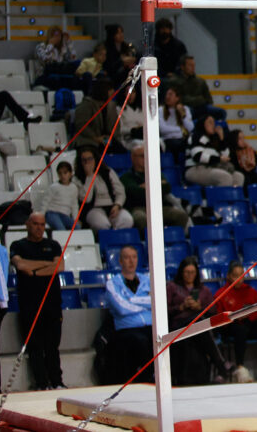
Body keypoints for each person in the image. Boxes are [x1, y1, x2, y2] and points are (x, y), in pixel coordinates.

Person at [10, 213, 65, 389]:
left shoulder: (53, 245)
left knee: (52, 346)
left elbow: (60, 267)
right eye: (35, 224)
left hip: (52, 303)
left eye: (42, 224)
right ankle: (41, 383)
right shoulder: (18, 245)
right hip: (29, 304)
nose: (39, 228)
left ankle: (57, 382)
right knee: (34, 346)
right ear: (27, 224)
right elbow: (21, 266)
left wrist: (33, 270)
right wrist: (47, 266)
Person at [167, 256, 235, 384]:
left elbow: (213, 311)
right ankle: (221, 364)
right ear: (181, 272)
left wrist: (200, 307)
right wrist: (181, 307)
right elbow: (165, 310)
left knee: (200, 322)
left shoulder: (203, 290)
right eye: (187, 272)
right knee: (200, 323)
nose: (189, 275)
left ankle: (218, 367)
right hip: (179, 326)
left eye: (192, 272)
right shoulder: (172, 287)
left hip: (199, 327)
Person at [217, 261, 257, 382]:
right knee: (240, 331)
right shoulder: (221, 294)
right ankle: (240, 368)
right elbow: (219, 317)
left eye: (241, 275)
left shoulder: (251, 292)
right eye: (235, 275)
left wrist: (248, 314)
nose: (238, 279)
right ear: (229, 276)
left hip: (250, 323)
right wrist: (235, 316)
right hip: (231, 327)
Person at [105, 244, 154, 383]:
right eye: (127, 258)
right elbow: (121, 308)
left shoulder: (147, 280)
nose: (131, 261)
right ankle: (146, 379)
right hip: (127, 329)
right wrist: (145, 304)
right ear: (120, 261)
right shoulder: (112, 283)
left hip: (150, 326)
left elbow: (157, 302)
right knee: (141, 341)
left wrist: (131, 300)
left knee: (169, 337)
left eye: (134, 257)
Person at [119, 144, 188, 230]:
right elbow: (134, 192)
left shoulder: (156, 173)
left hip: (160, 207)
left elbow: (166, 187)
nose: (146, 159)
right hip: (138, 208)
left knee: (181, 215)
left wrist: (144, 187)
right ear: (133, 157)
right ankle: (147, 241)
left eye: (147, 156)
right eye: (142, 156)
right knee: (141, 219)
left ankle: (171, 240)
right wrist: (155, 186)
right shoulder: (126, 177)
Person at [75, 146, 134, 230]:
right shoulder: (77, 178)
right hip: (93, 209)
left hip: (112, 206)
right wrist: (89, 176)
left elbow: (120, 191)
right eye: (84, 160)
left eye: (90, 159)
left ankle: (116, 238)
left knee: (127, 220)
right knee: (102, 225)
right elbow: (86, 198)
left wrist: (117, 205)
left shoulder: (108, 172)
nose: (87, 162)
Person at [185, 115, 243, 188]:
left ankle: (232, 198)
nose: (213, 125)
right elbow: (197, 156)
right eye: (210, 123)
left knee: (238, 176)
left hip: (211, 168)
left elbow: (226, 155)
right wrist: (219, 159)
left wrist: (221, 138)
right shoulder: (196, 136)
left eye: (213, 123)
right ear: (202, 124)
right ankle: (220, 199)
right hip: (195, 168)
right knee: (224, 177)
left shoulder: (214, 139)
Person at [170, 55, 222, 120]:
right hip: (186, 107)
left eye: (194, 65)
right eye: (190, 65)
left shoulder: (200, 81)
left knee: (220, 112)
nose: (193, 68)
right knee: (188, 112)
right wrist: (199, 99)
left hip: (202, 106)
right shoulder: (175, 81)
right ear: (182, 67)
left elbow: (208, 99)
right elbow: (181, 99)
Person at [44, 161, 81, 231]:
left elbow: (74, 205)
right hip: (52, 213)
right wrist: (41, 216)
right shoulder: (54, 187)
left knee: (77, 227)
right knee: (61, 229)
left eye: (65, 173)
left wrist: (75, 219)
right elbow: (45, 202)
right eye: (60, 173)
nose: (63, 176)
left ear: (70, 174)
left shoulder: (74, 188)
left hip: (65, 215)